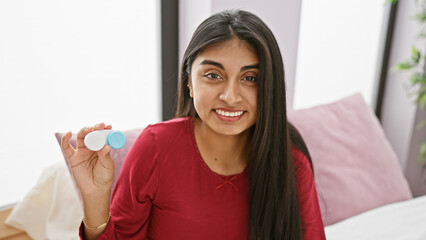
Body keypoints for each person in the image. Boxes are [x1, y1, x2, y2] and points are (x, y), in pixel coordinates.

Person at [61, 9, 326, 240]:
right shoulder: (155, 148)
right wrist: (95, 196)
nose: (230, 96)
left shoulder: (291, 161)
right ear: (189, 81)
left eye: (250, 79)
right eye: (213, 75)